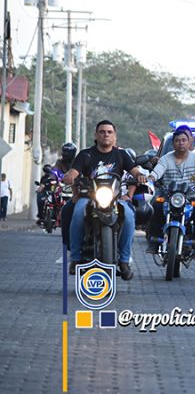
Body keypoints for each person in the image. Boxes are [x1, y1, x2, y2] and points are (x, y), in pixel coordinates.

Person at [63, 120, 146, 280]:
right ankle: (75, 258)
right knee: (78, 212)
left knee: (129, 216)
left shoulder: (121, 155)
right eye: (102, 132)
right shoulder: (85, 154)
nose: (105, 135)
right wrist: (69, 176)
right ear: (96, 135)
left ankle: (124, 261)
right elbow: (74, 172)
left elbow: (134, 170)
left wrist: (139, 175)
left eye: (109, 132)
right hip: (89, 197)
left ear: (115, 136)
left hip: (115, 198)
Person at [146, 126, 195, 258]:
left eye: (184, 140)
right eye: (177, 141)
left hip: (192, 196)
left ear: (189, 142)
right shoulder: (165, 159)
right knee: (156, 205)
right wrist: (150, 179)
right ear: (173, 144)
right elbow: (156, 173)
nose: (181, 143)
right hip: (168, 196)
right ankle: (154, 241)